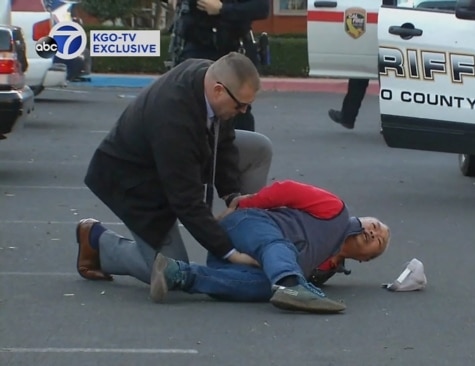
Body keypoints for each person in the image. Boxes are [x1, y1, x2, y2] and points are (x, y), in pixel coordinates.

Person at [75, 52, 273, 286]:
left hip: (178, 158)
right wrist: (228, 251)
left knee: (259, 148)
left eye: (247, 106)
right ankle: (98, 243)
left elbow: (224, 141)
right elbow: (186, 200)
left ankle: (245, 225)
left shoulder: (211, 77)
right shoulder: (173, 121)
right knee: (172, 273)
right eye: (240, 105)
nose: (243, 112)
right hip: (133, 180)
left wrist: (232, 195)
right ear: (219, 90)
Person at [148, 179, 391, 314]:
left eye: (378, 239)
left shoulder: (326, 269)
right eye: (375, 225)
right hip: (248, 224)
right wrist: (240, 207)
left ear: (365, 260)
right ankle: (290, 285)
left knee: (265, 286)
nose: (373, 232)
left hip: (238, 260)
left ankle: (177, 273)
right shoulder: (336, 210)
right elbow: (285, 189)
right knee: (281, 247)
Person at [165, 0, 270, 132]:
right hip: (195, 48)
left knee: (237, 109)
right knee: (191, 110)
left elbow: (262, 8)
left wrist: (222, 9)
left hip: (233, 48)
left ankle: (236, 150)